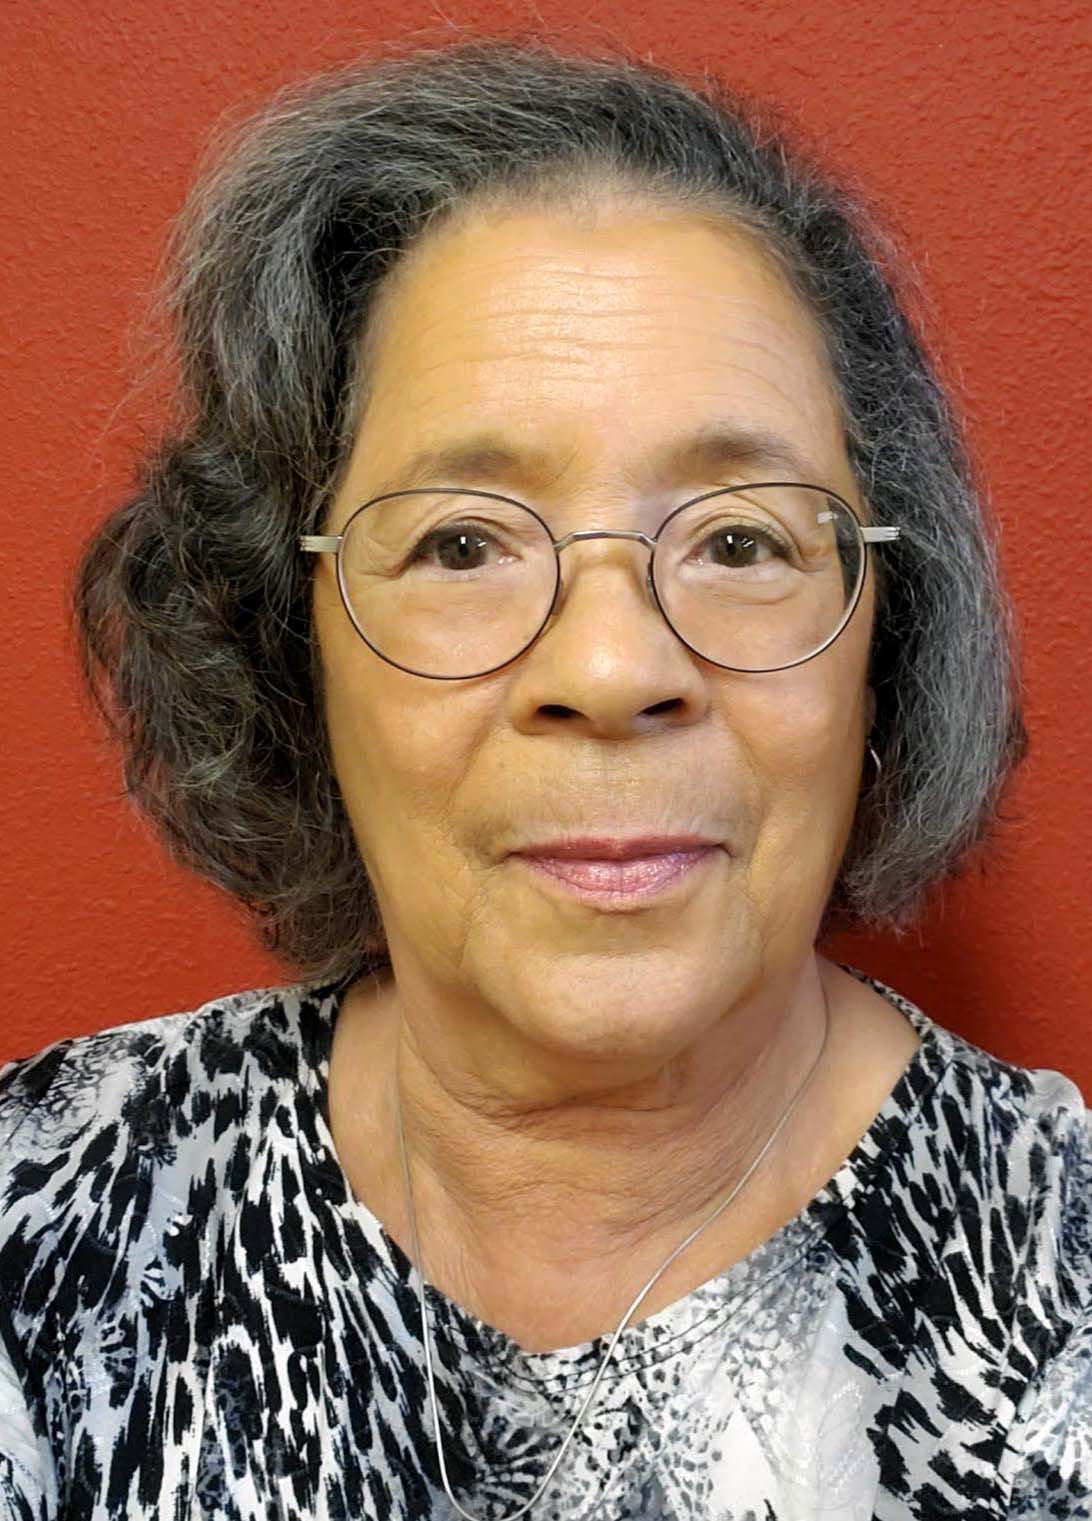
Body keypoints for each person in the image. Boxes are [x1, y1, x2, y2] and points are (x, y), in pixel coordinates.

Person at [1, 37, 1088, 1521]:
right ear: (288, 641)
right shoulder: (45, 1221)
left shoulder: (1060, 1293)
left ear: (884, 646)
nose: (613, 665)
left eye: (741, 540)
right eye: (462, 543)